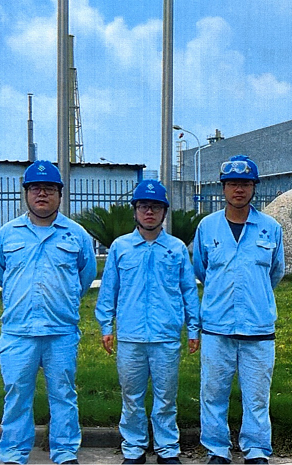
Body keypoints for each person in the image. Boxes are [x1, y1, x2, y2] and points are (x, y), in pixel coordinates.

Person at [0, 160, 97, 465]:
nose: (42, 194)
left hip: (60, 331)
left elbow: (85, 276)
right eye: (35, 188)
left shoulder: (76, 234)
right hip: (18, 331)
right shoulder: (8, 234)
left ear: (60, 194)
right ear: (26, 193)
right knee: (16, 395)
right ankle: (14, 453)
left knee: (63, 394)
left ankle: (65, 452)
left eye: (49, 188)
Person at [95, 180, 200, 465]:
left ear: (164, 211)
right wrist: (106, 326)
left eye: (155, 206)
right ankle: (134, 448)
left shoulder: (177, 249)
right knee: (131, 396)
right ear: (135, 211)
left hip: (166, 336)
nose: (149, 212)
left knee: (166, 397)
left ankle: (167, 449)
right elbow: (109, 290)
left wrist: (193, 328)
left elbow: (188, 291)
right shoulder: (121, 247)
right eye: (143, 206)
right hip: (131, 337)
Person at [193, 155, 285, 465]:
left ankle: (256, 450)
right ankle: (217, 450)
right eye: (232, 184)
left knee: (257, 396)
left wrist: (255, 296)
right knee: (213, 393)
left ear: (254, 188)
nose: (239, 190)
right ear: (223, 188)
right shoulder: (207, 227)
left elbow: (276, 271)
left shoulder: (270, 228)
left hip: (258, 328)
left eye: (245, 184)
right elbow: (202, 269)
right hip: (217, 328)